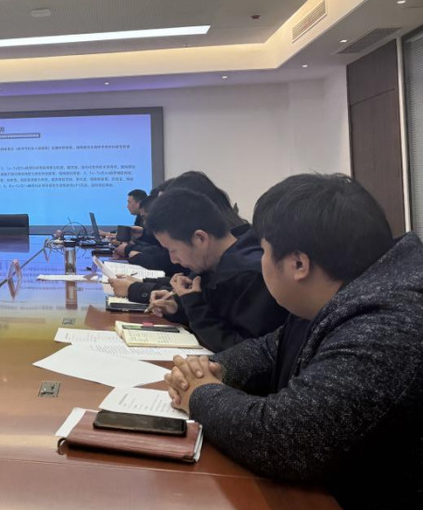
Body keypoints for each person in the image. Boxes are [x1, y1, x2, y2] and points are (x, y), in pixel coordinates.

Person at [164, 174, 422, 508]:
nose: (260, 261)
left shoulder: (389, 324)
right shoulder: (338, 291)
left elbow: (285, 439)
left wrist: (200, 393)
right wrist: (209, 369)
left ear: (298, 264)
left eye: (263, 251)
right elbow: (271, 349)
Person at [143, 188, 288, 352]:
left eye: (173, 250)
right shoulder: (212, 263)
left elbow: (243, 352)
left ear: (200, 238)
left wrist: (195, 307)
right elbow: (215, 317)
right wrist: (178, 308)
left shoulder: (252, 276)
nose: (173, 260)